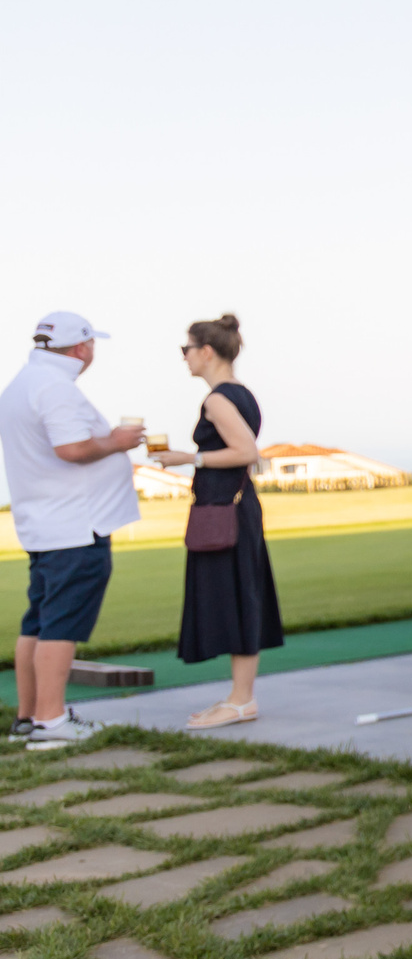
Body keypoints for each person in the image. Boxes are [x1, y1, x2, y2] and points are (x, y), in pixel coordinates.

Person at [1, 311, 142, 745]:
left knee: (38, 624)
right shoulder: (56, 388)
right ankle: (51, 721)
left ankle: (29, 719)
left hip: (47, 525)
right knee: (61, 625)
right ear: (81, 348)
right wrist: (116, 443)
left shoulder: (23, 383)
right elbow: (71, 448)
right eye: (92, 344)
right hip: (76, 527)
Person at [152, 314, 284, 728]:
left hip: (225, 511)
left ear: (206, 351)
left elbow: (247, 451)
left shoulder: (218, 399)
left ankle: (243, 699)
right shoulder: (239, 394)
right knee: (238, 593)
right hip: (233, 508)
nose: (185, 358)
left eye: (186, 350)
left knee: (236, 595)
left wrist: (187, 458)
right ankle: (238, 696)